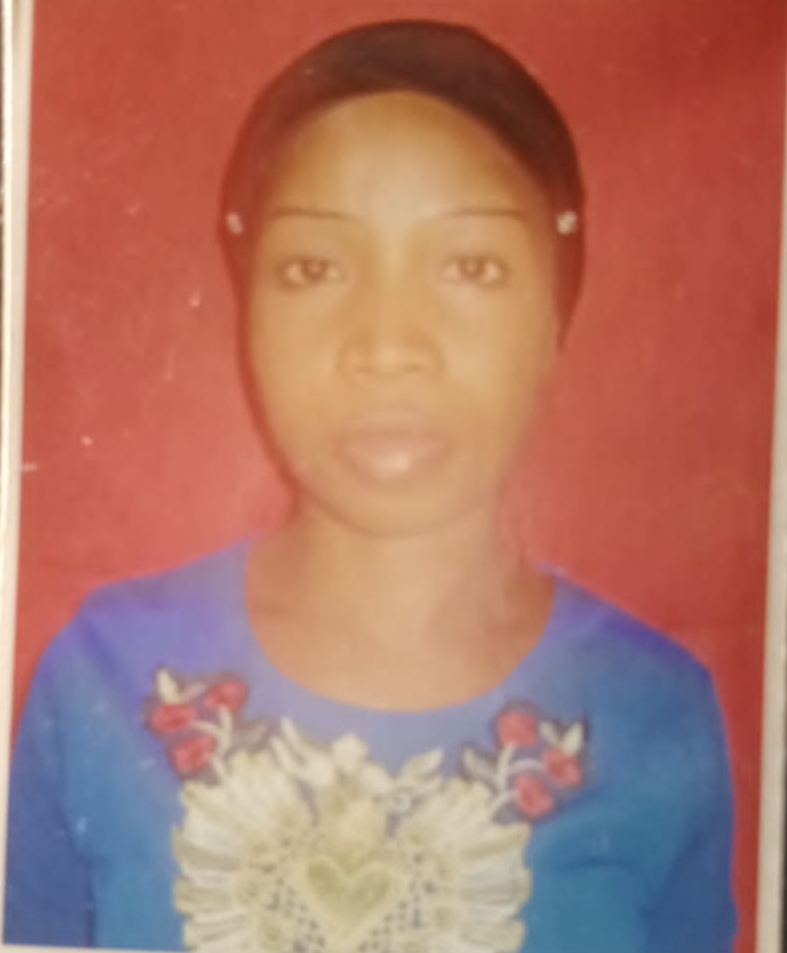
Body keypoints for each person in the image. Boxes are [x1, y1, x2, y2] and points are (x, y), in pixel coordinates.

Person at [3, 19, 736, 953]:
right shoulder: (101, 677)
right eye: (313, 268)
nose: (388, 345)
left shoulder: (653, 716)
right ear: (247, 307)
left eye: (470, 266)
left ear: (554, 314)